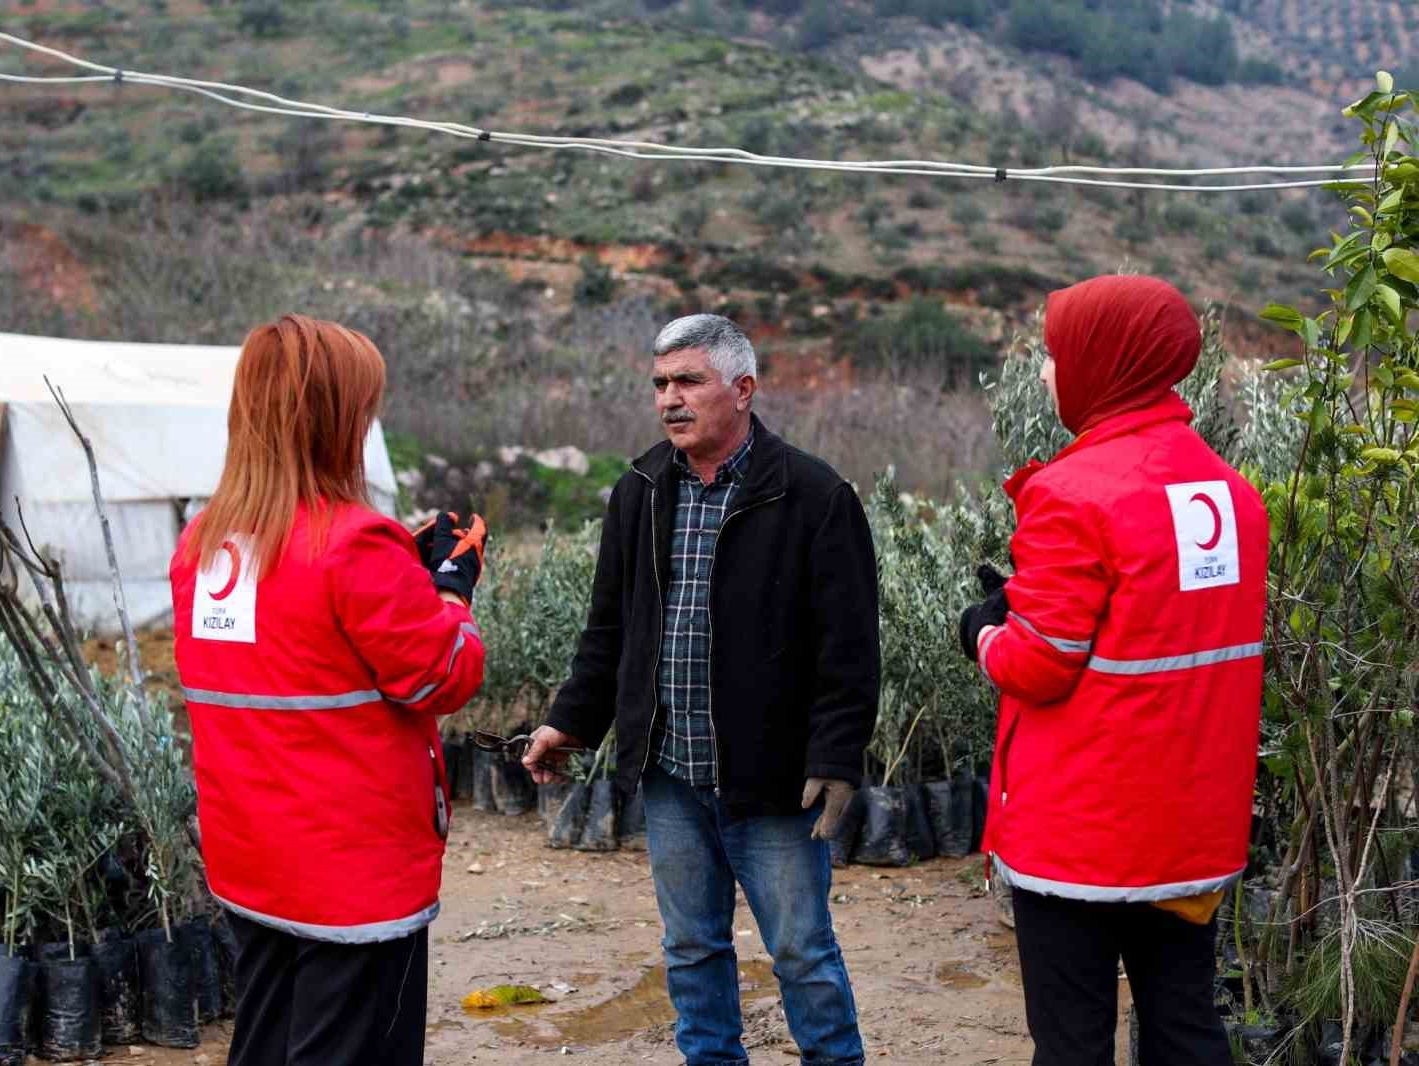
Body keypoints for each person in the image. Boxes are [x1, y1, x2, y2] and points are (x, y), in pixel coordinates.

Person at [523, 314, 877, 1066]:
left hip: (773, 780)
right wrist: (567, 722)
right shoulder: (642, 489)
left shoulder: (813, 495)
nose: (669, 400)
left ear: (743, 388)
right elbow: (608, 631)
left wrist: (838, 758)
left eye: (688, 381)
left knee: (801, 953)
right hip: (672, 775)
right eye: (659, 384)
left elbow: (848, 649)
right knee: (690, 948)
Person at [957, 276, 1267, 1066]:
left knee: (1072, 1041)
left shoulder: (1071, 493)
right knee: (1186, 1027)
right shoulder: (1231, 497)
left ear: (1106, 361)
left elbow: (1039, 665)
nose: (1048, 374)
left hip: (1082, 838)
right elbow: (1162, 629)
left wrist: (986, 630)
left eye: (1058, 355)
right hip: (1191, 829)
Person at [170, 314, 487, 1066]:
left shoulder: (207, 540)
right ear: (333, 418)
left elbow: (303, 645)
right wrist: (450, 591)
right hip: (354, 875)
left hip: (257, 858)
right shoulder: (353, 542)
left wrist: (398, 575)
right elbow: (442, 675)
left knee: (269, 1042)